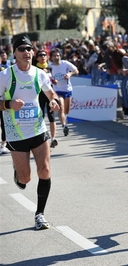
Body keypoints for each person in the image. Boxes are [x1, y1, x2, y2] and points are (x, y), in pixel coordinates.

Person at [0, 36, 60, 230]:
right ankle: (19, 173)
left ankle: (40, 214)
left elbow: (51, 93)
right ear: (14, 54)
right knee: (25, 179)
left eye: (29, 49)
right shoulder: (5, 76)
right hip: (15, 134)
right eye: (22, 49)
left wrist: (53, 101)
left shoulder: (39, 74)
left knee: (45, 170)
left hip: (37, 129)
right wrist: (9, 104)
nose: (27, 52)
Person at [49, 48, 79, 137]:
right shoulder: (50, 66)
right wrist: (52, 80)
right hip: (57, 90)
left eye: (58, 55)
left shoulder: (65, 63)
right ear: (51, 57)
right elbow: (46, 77)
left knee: (66, 110)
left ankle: (64, 120)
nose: (56, 57)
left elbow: (76, 70)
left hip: (67, 89)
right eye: (54, 56)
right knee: (61, 107)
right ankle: (64, 126)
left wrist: (70, 74)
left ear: (60, 56)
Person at [36, 49, 59, 148]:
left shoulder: (50, 67)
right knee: (40, 116)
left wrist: (54, 81)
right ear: (37, 58)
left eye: (44, 55)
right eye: (40, 55)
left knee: (51, 116)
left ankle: (53, 138)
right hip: (39, 95)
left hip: (49, 95)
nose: (43, 57)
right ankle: (41, 137)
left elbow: (51, 79)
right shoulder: (34, 68)